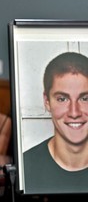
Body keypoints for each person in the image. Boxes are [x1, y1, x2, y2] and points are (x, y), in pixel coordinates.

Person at [23, 52, 88, 195]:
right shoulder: (25, 167)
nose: (74, 112)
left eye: (85, 98)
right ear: (47, 101)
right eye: (62, 99)